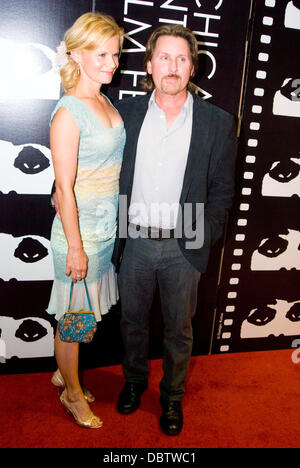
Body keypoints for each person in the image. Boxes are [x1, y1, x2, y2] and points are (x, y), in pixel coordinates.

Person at [112, 24, 237, 436]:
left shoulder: (217, 122)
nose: (173, 66)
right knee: (131, 322)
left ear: (192, 67)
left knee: (179, 331)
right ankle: (133, 383)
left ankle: (171, 398)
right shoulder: (124, 113)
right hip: (135, 240)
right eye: (164, 57)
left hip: (186, 243)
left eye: (182, 58)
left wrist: (204, 235)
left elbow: (222, 188)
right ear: (149, 65)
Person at [47, 12, 125, 429]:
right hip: (79, 238)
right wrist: (75, 247)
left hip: (104, 232)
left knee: (83, 318)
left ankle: (64, 371)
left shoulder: (104, 100)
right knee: (75, 322)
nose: (112, 63)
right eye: (101, 54)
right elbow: (63, 189)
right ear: (76, 53)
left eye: (114, 53)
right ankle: (73, 394)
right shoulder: (69, 113)